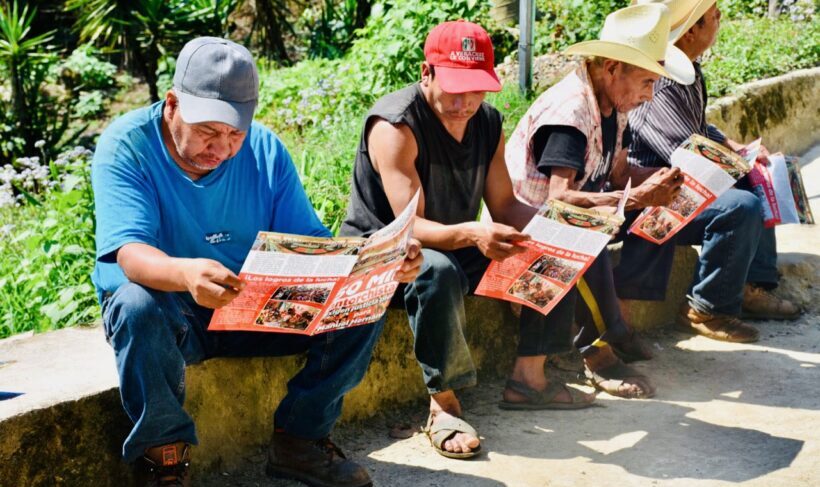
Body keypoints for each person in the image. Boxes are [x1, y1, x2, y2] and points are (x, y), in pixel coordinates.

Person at [92, 37, 422, 487]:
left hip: (253, 306)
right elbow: (130, 254)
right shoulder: (128, 146)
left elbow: (309, 243)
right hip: (173, 309)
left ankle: (300, 440)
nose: (222, 148)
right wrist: (187, 273)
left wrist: (380, 268)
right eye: (210, 131)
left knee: (363, 302)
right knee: (135, 305)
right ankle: (163, 457)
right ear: (172, 105)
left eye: (235, 134)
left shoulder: (264, 149)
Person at [340, 20, 596, 460]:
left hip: (457, 242)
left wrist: (556, 228)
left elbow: (505, 206)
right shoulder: (395, 125)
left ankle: (528, 378)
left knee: (548, 249)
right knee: (434, 270)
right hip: (388, 255)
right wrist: (473, 233)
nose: (465, 103)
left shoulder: (487, 122)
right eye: (455, 89)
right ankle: (443, 404)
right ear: (427, 73)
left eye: (475, 90)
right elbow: (409, 228)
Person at [505, 4, 691, 399]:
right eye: (645, 81)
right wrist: (637, 197)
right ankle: (598, 350)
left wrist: (663, 181)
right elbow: (560, 199)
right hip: (525, 234)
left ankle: (613, 333)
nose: (649, 94)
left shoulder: (612, 106)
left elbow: (620, 174)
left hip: (567, 224)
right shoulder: (571, 114)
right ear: (611, 69)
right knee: (582, 237)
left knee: (620, 224)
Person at [617, 0, 800, 343]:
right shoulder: (667, 80)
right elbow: (685, 151)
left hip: (675, 181)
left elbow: (699, 128)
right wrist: (732, 161)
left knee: (756, 173)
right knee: (739, 206)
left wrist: (737, 149)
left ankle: (750, 284)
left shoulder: (688, 70)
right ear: (690, 31)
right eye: (714, 17)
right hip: (654, 190)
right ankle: (707, 308)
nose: (720, 21)